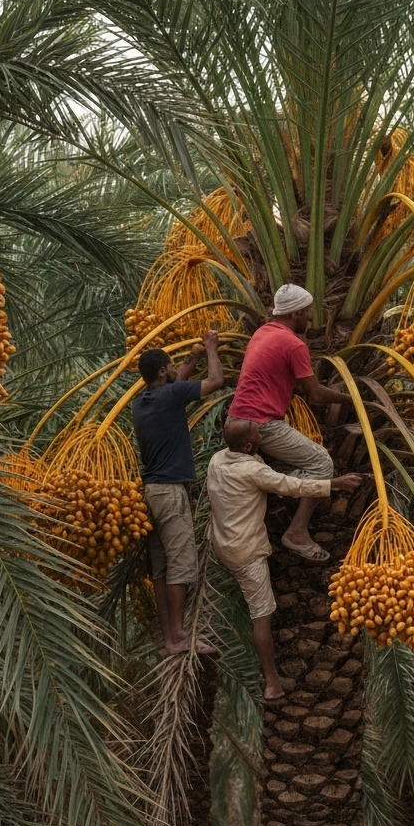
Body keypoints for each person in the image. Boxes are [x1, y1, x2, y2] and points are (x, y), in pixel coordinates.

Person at [206, 417, 361, 699]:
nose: (263, 435)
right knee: (261, 617)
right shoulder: (252, 470)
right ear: (250, 445)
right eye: (258, 433)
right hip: (247, 554)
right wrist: (334, 482)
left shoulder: (218, 459)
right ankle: (272, 682)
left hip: (222, 545)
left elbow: (269, 474)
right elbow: (291, 487)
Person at [228, 283, 352, 563]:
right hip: (262, 424)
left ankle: (289, 480)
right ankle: (296, 532)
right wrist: (353, 400)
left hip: (236, 420)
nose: (310, 317)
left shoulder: (262, 333)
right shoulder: (293, 344)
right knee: (321, 463)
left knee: (291, 467)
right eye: (307, 312)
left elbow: (280, 381)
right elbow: (315, 393)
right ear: (296, 314)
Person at [132, 332, 224, 655]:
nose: (174, 370)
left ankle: (168, 638)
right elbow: (215, 381)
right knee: (181, 563)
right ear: (161, 372)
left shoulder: (141, 403)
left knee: (161, 568)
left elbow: (176, 384)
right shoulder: (170, 396)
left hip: (151, 494)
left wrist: (191, 360)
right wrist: (211, 348)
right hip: (170, 492)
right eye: (170, 367)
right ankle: (178, 637)